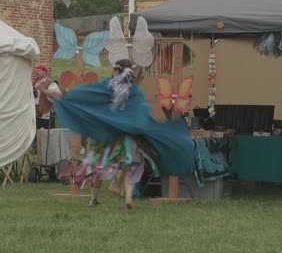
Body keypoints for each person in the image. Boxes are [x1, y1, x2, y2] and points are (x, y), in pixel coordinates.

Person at [54, 59, 194, 211]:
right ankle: (128, 198)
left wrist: (66, 97)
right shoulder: (134, 91)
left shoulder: (106, 86)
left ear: (115, 71)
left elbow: (85, 94)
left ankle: (93, 199)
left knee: (98, 167)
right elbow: (139, 113)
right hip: (126, 137)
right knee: (131, 167)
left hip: (104, 135)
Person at [32, 65, 62, 129]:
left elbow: (56, 95)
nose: (37, 72)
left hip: (46, 111)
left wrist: (42, 89)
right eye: (36, 71)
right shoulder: (34, 82)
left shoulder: (50, 82)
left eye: (39, 71)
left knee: (48, 133)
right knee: (36, 132)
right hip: (35, 111)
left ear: (44, 72)